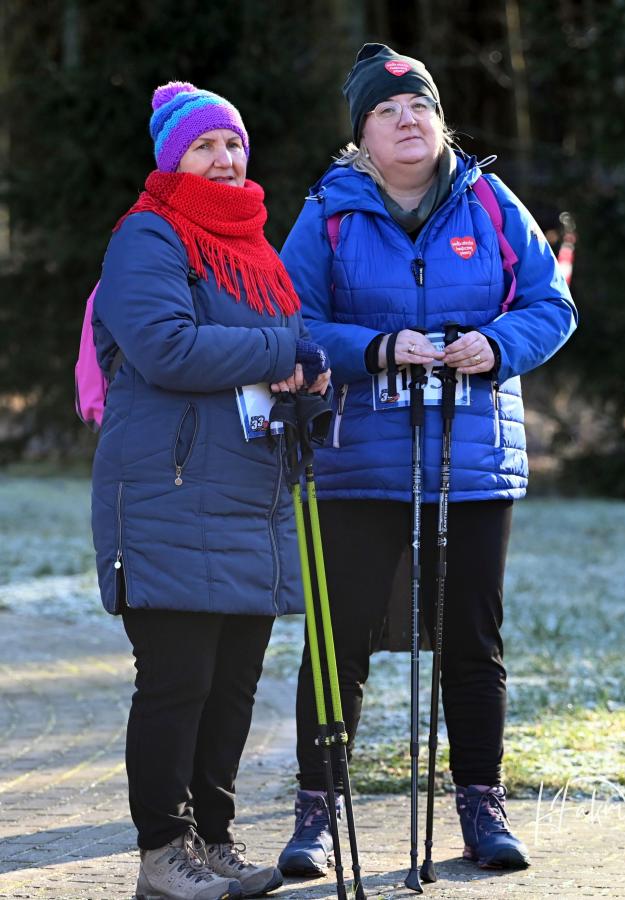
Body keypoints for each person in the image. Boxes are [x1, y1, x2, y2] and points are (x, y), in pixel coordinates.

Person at [277, 44, 578, 876]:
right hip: (358, 460)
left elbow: (551, 304)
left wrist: (497, 344)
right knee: (338, 637)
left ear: (440, 120)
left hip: (473, 457)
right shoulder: (329, 212)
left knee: (471, 637)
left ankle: (482, 804)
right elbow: (292, 320)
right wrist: (374, 348)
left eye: (420, 106)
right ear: (362, 135)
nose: (407, 120)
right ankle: (317, 811)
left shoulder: (489, 201)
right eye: (386, 110)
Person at [90, 80, 329, 900]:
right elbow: (166, 346)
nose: (224, 159)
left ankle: (214, 841)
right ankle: (163, 854)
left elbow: (290, 349)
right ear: (173, 159)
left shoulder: (256, 249)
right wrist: (282, 353)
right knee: (176, 682)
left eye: (233, 144)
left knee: (231, 686)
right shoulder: (148, 235)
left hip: (252, 497)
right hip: (170, 493)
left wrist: (310, 379)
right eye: (204, 146)